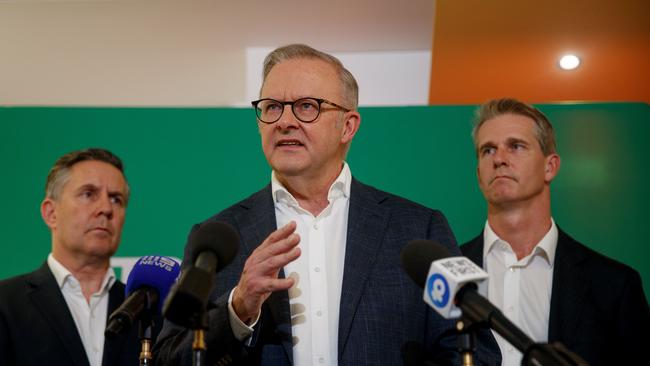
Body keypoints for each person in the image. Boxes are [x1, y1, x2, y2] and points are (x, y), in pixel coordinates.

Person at [154, 44, 500, 365]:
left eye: (307, 106)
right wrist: (238, 309)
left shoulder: (417, 229)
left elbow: (471, 353)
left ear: (347, 126)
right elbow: (170, 357)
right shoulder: (217, 237)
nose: (285, 121)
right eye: (272, 107)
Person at [461, 98, 650, 365]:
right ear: (479, 175)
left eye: (516, 146)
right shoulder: (441, 275)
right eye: (488, 150)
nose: (500, 159)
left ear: (550, 166)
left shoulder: (614, 285)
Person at [0, 148, 142, 366]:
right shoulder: (6, 303)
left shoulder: (144, 312)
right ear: (51, 213)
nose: (105, 208)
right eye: (88, 194)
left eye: (116, 199)